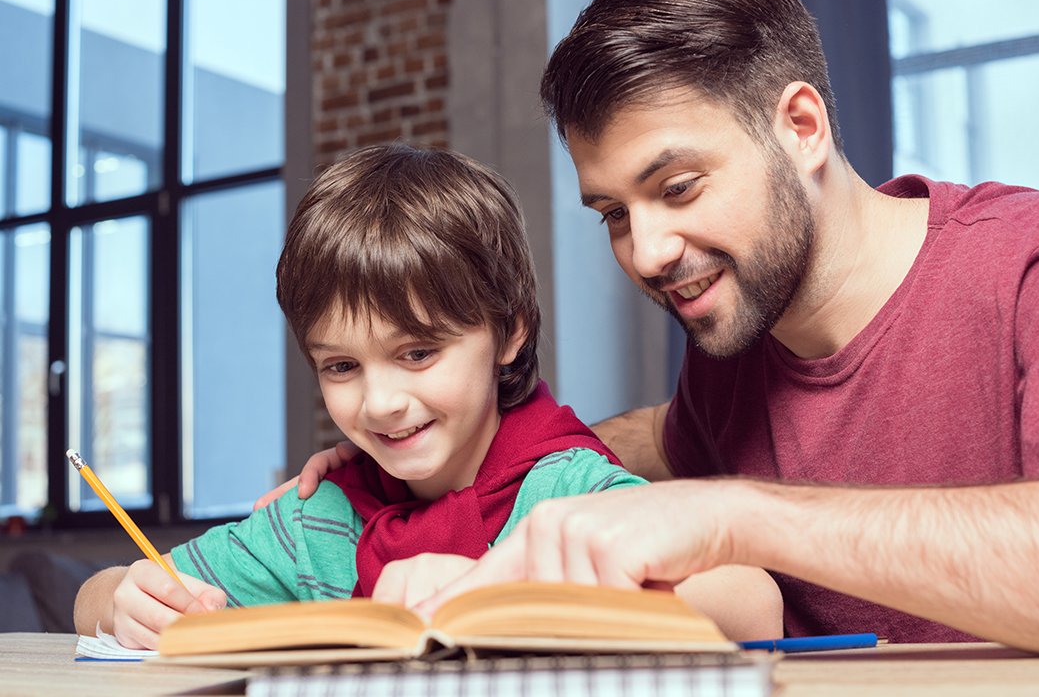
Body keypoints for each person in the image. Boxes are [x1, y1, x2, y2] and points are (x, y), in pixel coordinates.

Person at [275, 0, 1039, 654]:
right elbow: (652, 441)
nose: (647, 251)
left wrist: (736, 514)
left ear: (801, 127)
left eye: (677, 188)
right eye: (614, 214)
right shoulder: (732, 349)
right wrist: (382, 467)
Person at [72, 143, 781, 649]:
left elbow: (752, 602)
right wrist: (119, 600)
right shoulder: (316, 519)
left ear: (509, 333)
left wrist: (510, 590)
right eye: (342, 367)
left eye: (418, 353)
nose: (381, 402)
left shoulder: (570, 493)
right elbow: (98, 594)